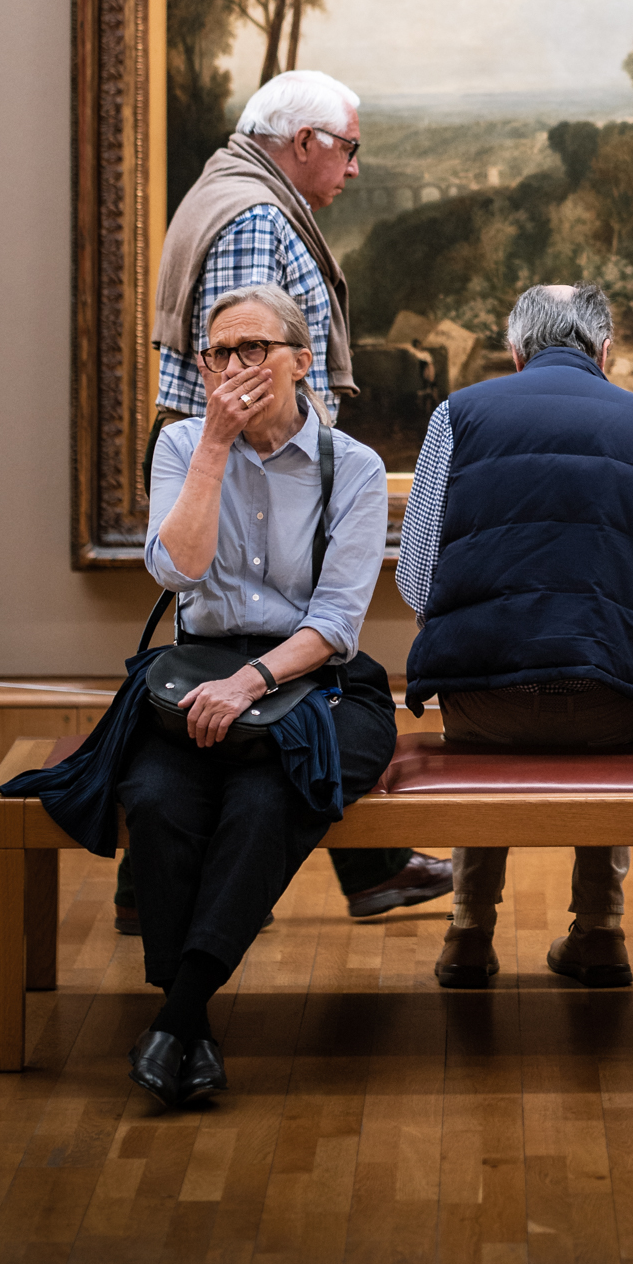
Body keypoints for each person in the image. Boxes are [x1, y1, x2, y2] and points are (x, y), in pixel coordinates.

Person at [122, 67, 450, 930]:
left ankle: (349, 871)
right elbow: (235, 363)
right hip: (249, 484)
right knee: (288, 676)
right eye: (347, 149)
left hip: (269, 482)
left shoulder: (239, 192)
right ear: (301, 143)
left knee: (307, 681)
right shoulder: (255, 216)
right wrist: (269, 460)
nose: (352, 170)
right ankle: (179, 883)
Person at [123, 282, 398, 1107]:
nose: (233, 369)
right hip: (197, 671)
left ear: (303, 362)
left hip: (313, 681)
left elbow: (338, 620)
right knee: (156, 799)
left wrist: (253, 682)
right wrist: (212, 446)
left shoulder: (352, 467)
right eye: (217, 355)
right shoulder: (181, 446)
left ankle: (179, 1016)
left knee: (264, 800)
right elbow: (176, 572)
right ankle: (191, 1028)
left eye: (253, 351)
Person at [398, 281, 633, 990]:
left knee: (478, 712)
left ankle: (467, 936)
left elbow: (417, 583)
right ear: (605, 351)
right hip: (613, 708)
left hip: (486, 708)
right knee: (619, 680)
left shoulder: (457, 415)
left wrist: (493, 638)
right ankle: (599, 933)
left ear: (514, 352)